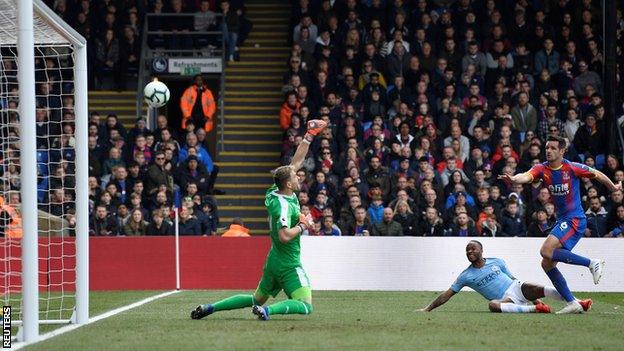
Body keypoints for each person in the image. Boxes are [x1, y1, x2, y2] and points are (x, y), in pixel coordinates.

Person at [191, 119, 327, 321]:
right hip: (288, 262)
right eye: (296, 177)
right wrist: (302, 224)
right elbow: (283, 235)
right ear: (289, 183)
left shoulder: (276, 191)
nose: (299, 176)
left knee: (257, 298)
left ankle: (210, 308)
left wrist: (309, 136)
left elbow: (295, 162)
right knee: (306, 305)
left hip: (273, 260)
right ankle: (267, 312)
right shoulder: (284, 205)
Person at [498, 135, 620, 313]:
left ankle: (592, 263)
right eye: (547, 147)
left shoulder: (572, 167)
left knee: (545, 251)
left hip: (575, 219)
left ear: (562, 151)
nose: (548, 150)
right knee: (546, 263)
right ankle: (572, 302)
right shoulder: (542, 168)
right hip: (563, 220)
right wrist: (515, 179)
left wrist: (613, 188)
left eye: (553, 148)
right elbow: (526, 176)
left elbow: (598, 174)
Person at [419, 241, 592, 314]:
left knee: (539, 288)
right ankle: (535, 310)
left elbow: (513, 279)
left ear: (481, 251)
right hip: (505, 299)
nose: (470, 252)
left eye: (473, 249)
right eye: (467, 250)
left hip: (516, 287)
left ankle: (577, 302)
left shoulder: (497, 261)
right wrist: (428, 308)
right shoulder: (466, 275)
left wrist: (534, 299)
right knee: (492, 305)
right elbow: (446, 294)